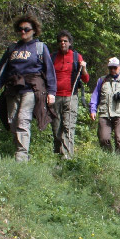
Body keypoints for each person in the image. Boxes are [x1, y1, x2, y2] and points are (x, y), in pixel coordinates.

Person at [0, 15, 57, 162]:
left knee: (23, 119)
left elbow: (50, 71)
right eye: (20, 29)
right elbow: (2, 70)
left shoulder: (40, 47)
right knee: (12, 120)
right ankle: (20, 151)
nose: (23, 32)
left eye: (26, 29)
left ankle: (21, 156)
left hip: (31, 89)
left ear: (34, 31)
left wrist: (51, 92)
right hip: (13, 89)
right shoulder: (12, 48)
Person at [50, 31, 90, 159]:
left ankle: (67, 157)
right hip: (55, 97)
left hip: (71, 96)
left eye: (65, 41)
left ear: (70, 43)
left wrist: (83, 67)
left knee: (68, 127)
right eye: (60, 41)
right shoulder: (52, 57)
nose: (62, 43)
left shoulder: (76, 57)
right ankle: (58, 157)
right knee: (56, 128)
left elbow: (86, 79)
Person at [89, 57, 120, 154]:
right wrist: (93, 110)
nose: (112, 70)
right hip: (105, 114)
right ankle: (108, 158)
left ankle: (118, 162)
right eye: (110, 68)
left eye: (115, 68)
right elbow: (95, 96)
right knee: (103, 138)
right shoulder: (102, 81)